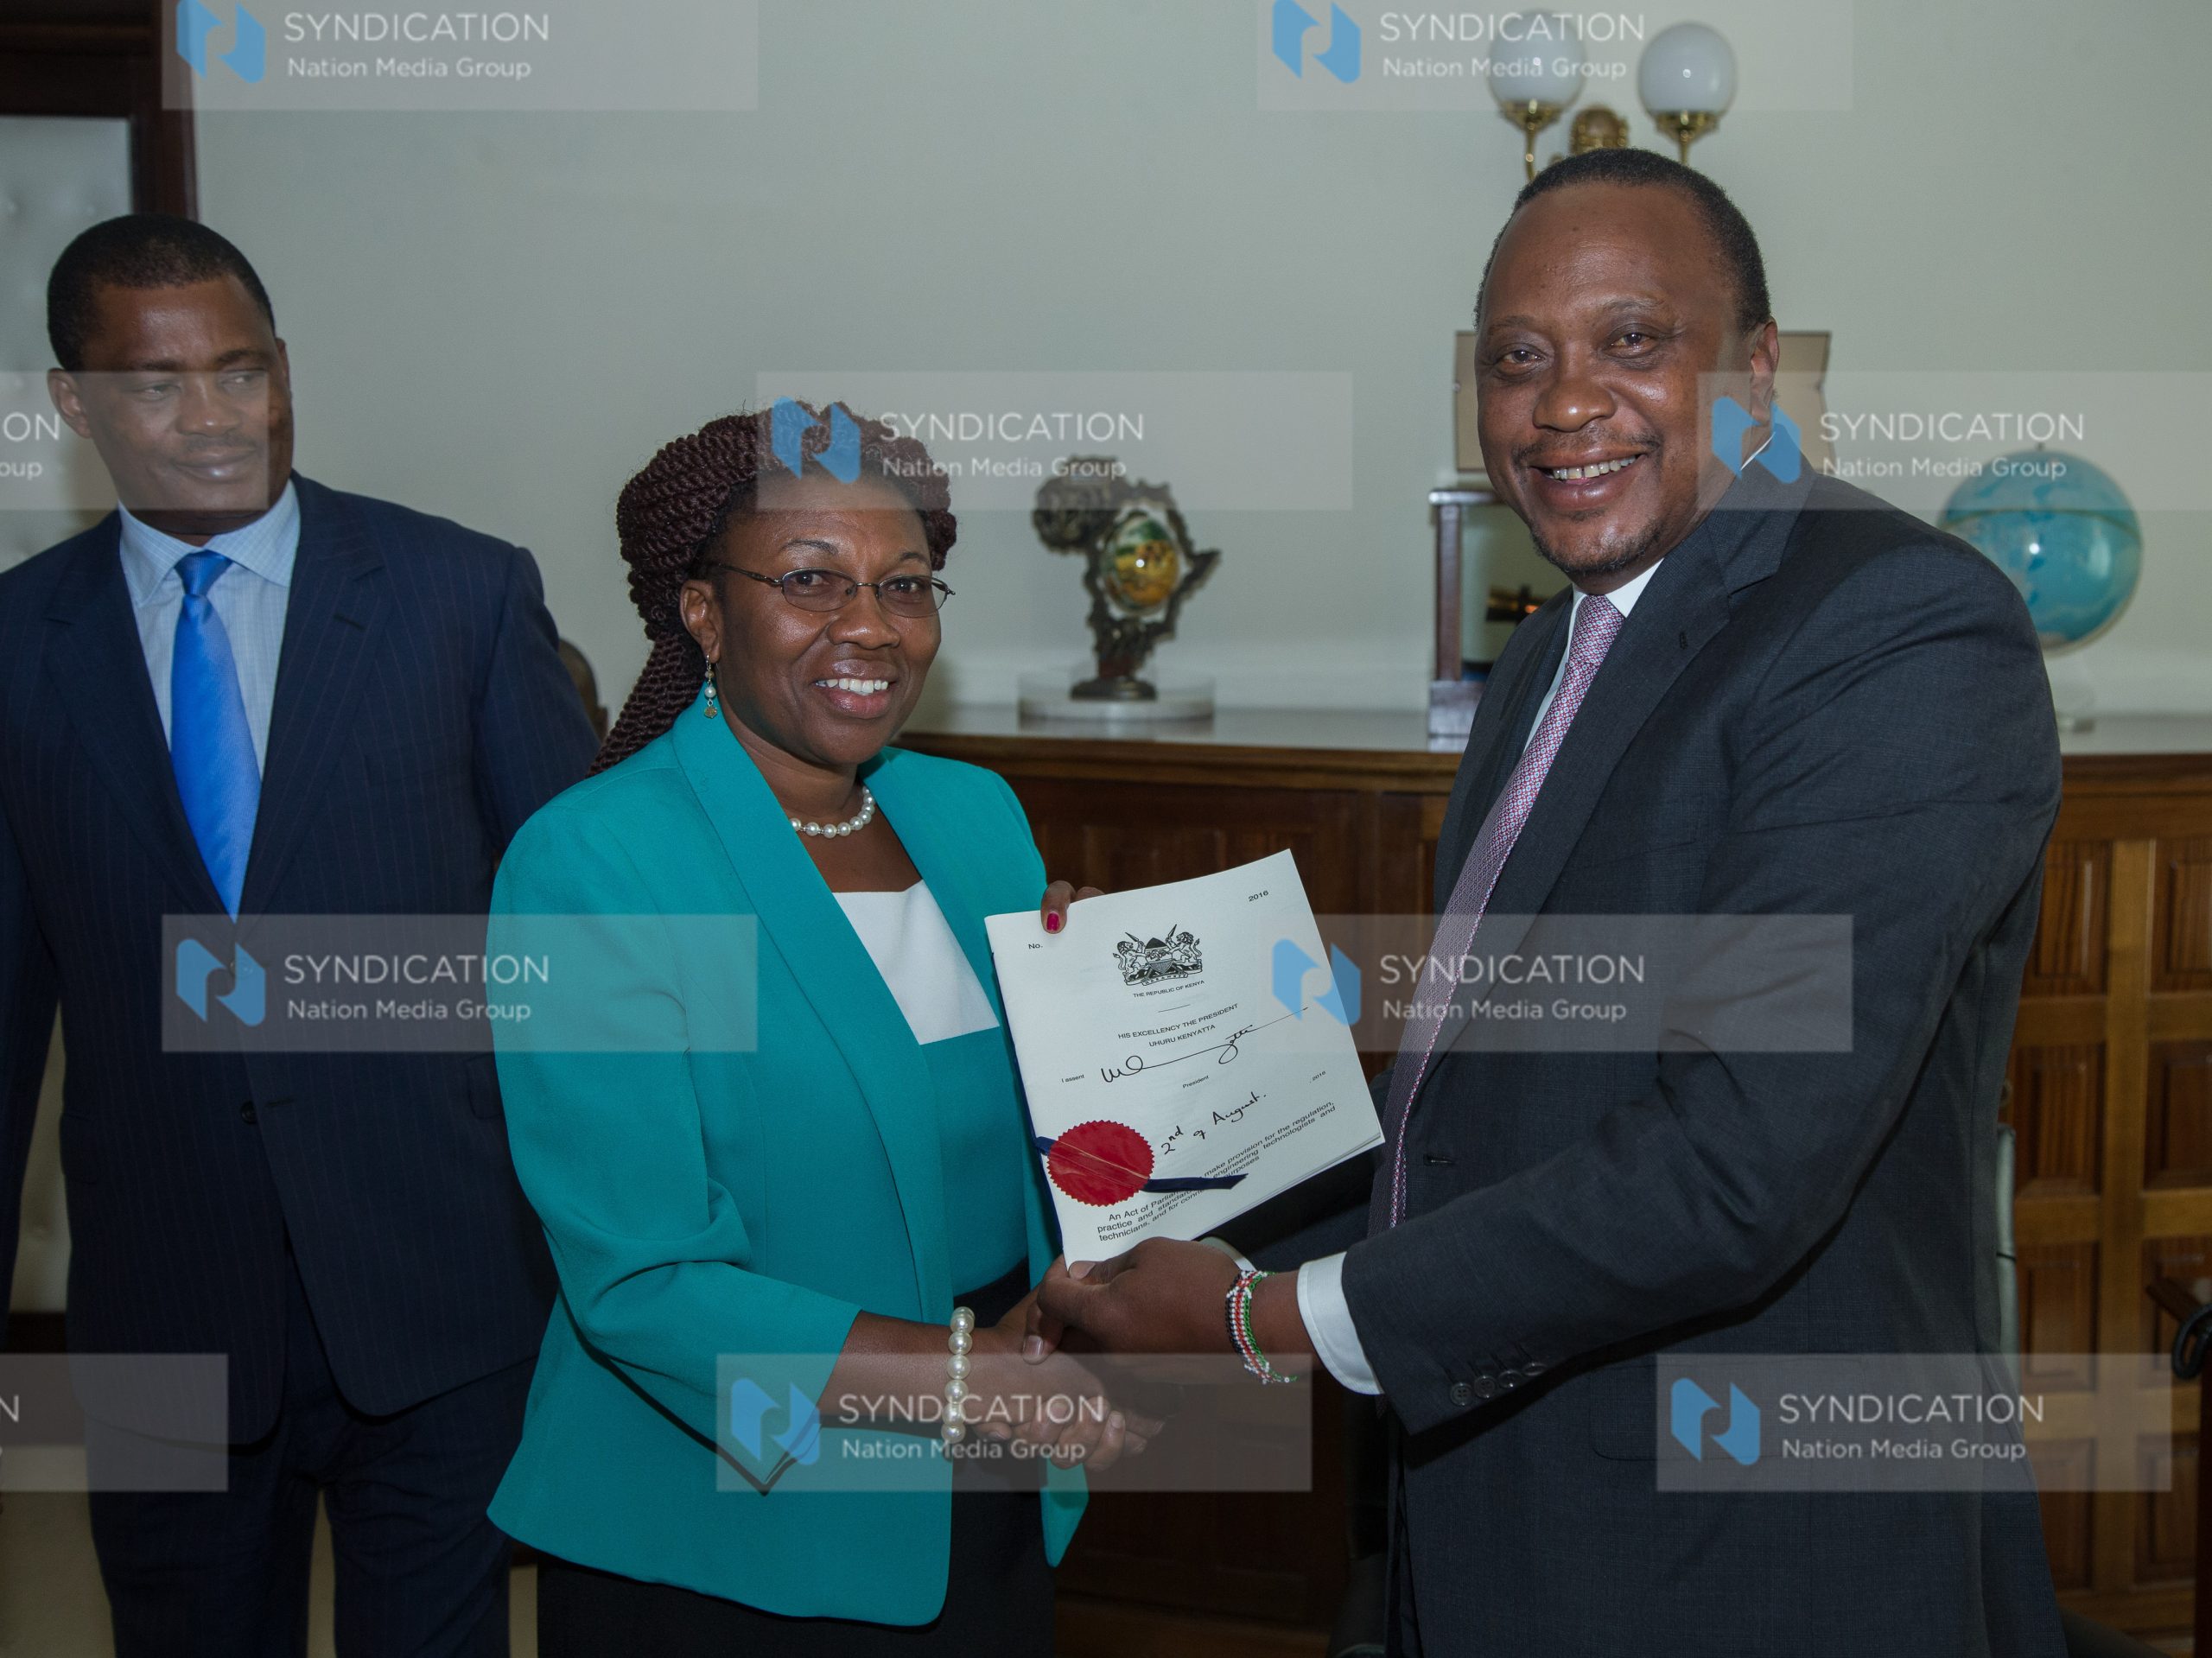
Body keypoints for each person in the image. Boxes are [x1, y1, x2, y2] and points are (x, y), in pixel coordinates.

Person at [1033, 149, 2068, 1655]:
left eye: (1631, 340)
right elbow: (1489, 1107)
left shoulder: (1894, 625)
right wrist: (1138, 1057)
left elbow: (1735, 1167)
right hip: (1493, 1522)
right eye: (1517, 360)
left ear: (1758, 370)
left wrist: (1269, 1320)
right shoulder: (1547, 657)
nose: (1565, 402)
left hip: (1745, 1562)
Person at [0, 216, 598, 1654]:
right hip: (161, 1310)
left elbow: (585, 952)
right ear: (73, 402)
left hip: (443, 1287)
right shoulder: (19, 645)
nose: (213, 417)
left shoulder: (460, 596)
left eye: (241, 370)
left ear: (284, 367)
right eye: (156, 385)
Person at [487, 403, 1133, 1655]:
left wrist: (1119, 1015)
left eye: (905, 584)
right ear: (702, 612)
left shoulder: (976, 818)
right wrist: (967, 1379)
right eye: (810, 580)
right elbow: (643, 1284)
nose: (871, 626)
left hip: (991, 1475)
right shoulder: (602, 862)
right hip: (730, 1528)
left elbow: (1033, 1150)